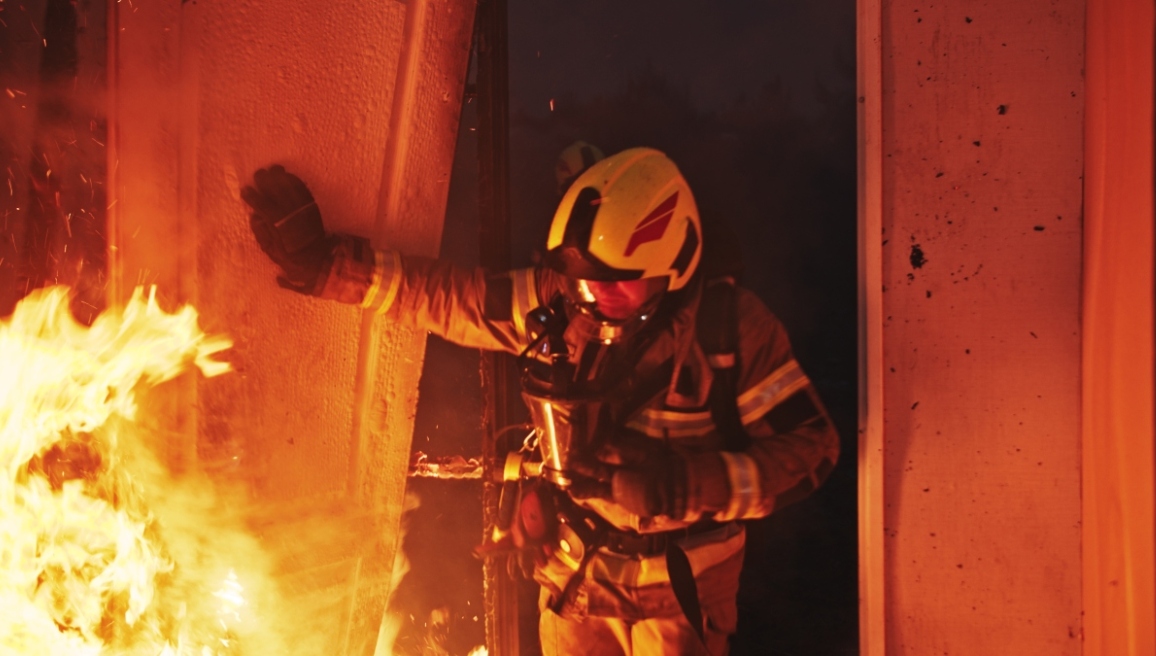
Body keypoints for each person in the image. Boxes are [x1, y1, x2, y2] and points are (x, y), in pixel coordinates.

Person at [241, 147, 839, 656]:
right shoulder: (564, 304)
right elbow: (455, 299)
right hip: (573, 580)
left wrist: (683, 485)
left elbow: (814, 451)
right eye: (584, 279)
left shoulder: (733, 332)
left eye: (618, 280)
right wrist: (326, 267)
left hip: (682, 596)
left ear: (675, 262)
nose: (596, 297)